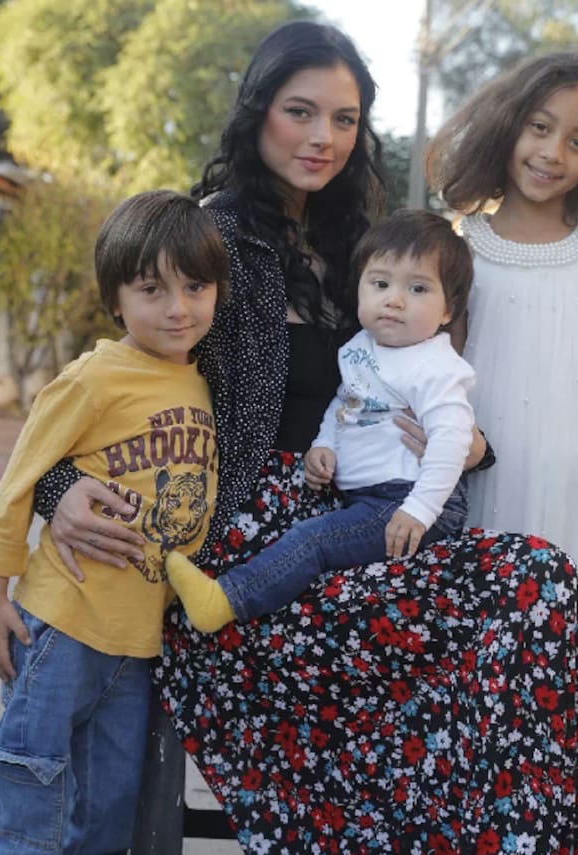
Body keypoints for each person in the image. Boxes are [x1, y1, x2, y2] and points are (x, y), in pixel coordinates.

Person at [32, 23, 578, 854]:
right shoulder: (206, 238)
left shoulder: (364, 243)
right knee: (488, 618)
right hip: (246, 548)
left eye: (344, 120)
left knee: (538, 581)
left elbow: (426, 378)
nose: (323, 138)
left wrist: (470, 445)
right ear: (258, 111)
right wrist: (57, 490)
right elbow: (109, 387)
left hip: (360, 517)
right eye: (300, 112)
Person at [0, 190, 229, 854]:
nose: (177, 308)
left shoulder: (205, 384)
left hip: (141, 641)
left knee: (111, 802)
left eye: (195, 287)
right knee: (30, 773)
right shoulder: (93, 377)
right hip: (65, 619)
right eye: (152, 290)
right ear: (116, 299)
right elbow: (20, 480)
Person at [427, 52, 578, 706]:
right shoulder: (460, 251)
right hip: (489, 496)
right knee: (482, 689)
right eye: (540, 127)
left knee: (561, 693)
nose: (552, 153)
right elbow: (440, 388)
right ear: (510, 125)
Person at [170, 209, 476, 632]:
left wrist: (419, 511)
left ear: (448, 309)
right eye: (380, 284)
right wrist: (325, 443)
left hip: (408, 501)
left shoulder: (435, 367)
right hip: (370, 497)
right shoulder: (361, 347)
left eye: (418, 288)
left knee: (313, 540)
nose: (395, 300)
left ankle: (224, 600)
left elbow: (452, 443)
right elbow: (345, 402)